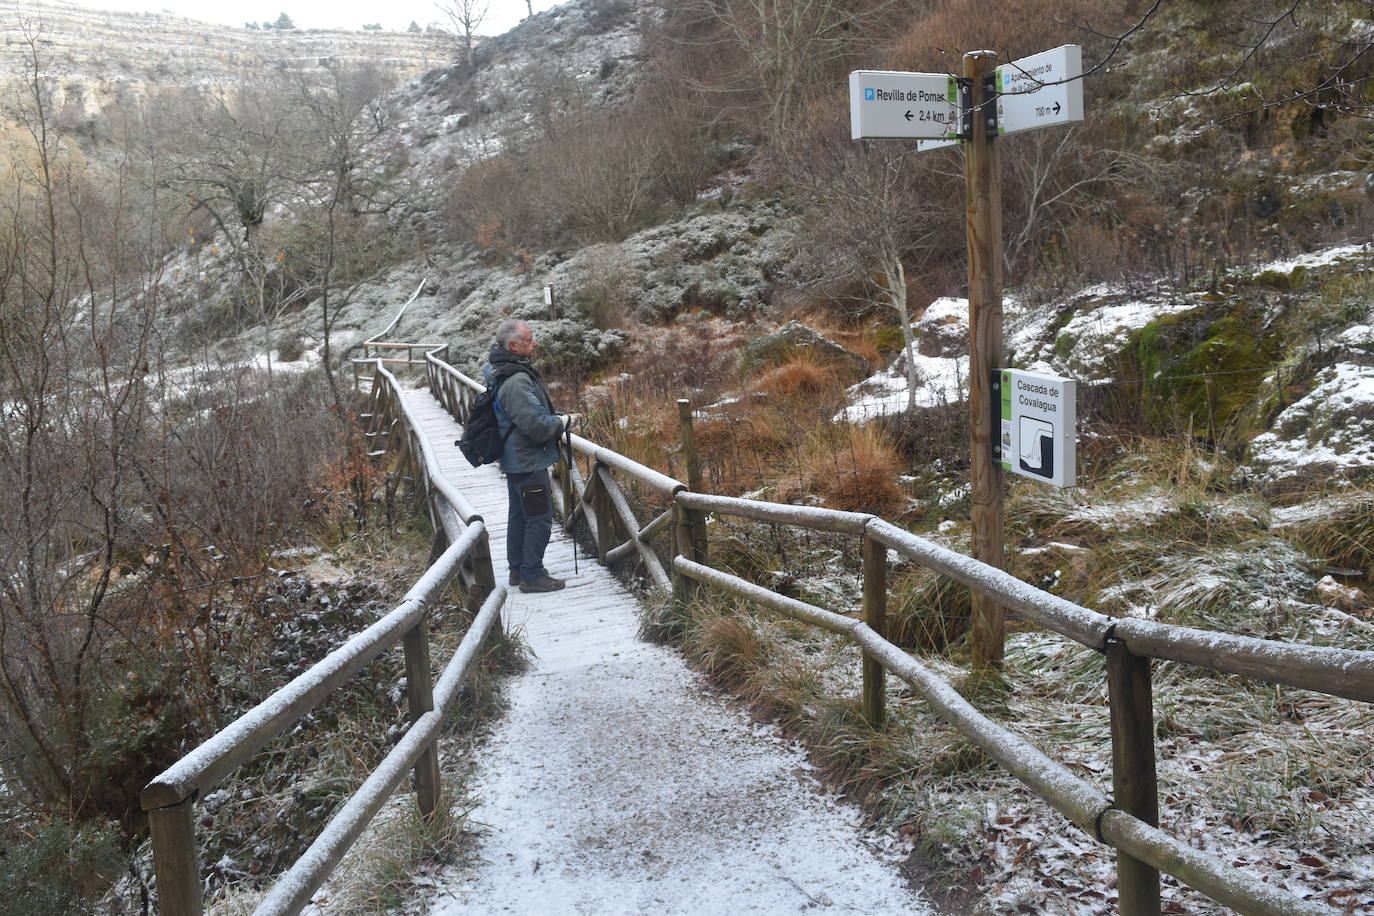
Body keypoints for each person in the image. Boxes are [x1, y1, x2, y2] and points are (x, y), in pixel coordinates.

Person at [484, 319, 578, 593]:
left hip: (516, 459)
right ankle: (532, 574)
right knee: (539, 517)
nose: (534, 343)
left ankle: (518, 569)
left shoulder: (506, 371)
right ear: (512, 346)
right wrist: (564, 422)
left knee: (521, 515)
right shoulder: (515, 380)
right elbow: (536, 426)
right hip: (527, 460)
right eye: (528, 340)